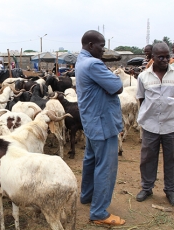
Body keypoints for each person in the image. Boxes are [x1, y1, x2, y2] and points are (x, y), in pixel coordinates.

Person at [75, 30, 125, 226]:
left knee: (90, 160)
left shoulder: (80, 62)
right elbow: (118, 87)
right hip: (103, 124)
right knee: (106, 167)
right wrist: (110, 82)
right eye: (101, 46)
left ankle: (86, 196)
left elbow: (111, 86)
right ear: (90, 45)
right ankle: (99, 213)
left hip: (91, 122)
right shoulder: (93, 64)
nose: (103, 49)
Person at [136, 42, 174, 206]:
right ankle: (147, 187)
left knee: (172, 159)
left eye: (167, 56)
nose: (165, 59)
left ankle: (170, 190)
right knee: (147, 158)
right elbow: (142, 99)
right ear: (152, 57)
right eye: (161, 57)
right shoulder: (143, 77)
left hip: (171, 125)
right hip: (150, 125)